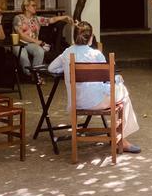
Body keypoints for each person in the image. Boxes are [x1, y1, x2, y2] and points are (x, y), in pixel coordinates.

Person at [49, 21, 141, 153]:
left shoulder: (67, 53)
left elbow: (51, 68)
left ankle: (119, 138)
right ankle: (120, 139)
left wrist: (67, 69)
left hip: (76, 102)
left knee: (117, 89)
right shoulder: (96, 54)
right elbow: (106, 79)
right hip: (96, 101)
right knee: (124, 93)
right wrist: (117, 79)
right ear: (91, 38)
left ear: (74, 37)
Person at [12, 0, 73, 76]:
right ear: (26, 7)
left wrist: (64, 17)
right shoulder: (18, 18)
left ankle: (36, 74)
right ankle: (29, 75)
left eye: (35, 5)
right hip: (19, 43)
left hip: (31, 44)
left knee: (40, 51)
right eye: (33, 5)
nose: (35, 7)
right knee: (23, 56)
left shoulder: (36, 19)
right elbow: (21, 35)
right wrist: (36, 41)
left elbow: (51, 20)